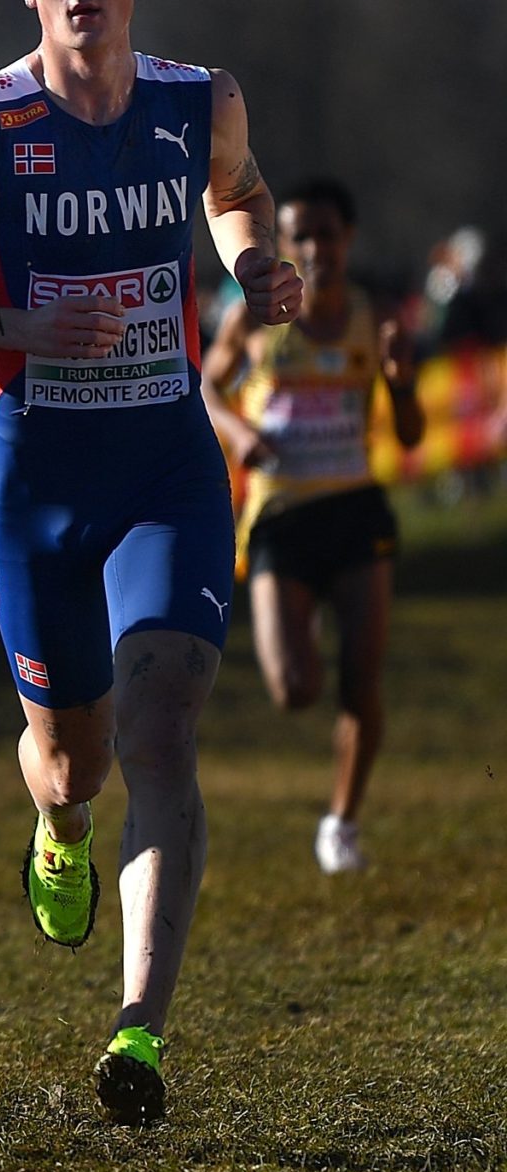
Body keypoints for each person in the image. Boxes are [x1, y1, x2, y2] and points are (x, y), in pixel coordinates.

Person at [0, 0, 303, 1126]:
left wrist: (255, 267)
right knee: (73, 762)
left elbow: (240, 196)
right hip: (34, 481)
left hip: (165, 467)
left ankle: (139, 1037)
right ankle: (54, 828)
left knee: (165, 736)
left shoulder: (193, 102)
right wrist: (19, 325)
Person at [202, 178, 424, 872]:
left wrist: (400, 380)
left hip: (356, 507)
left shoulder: (375, 318)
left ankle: (342, 823)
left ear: (347, 238)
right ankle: (311, 621)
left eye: (328, 234)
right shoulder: (251, 318)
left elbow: (413, 435)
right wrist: (239, 434)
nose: (317, 248)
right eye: (302, 235)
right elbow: (205, 386)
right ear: (285, 243)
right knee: (295, 688)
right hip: (280, 516)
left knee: (362, 678)